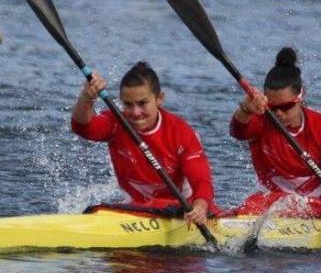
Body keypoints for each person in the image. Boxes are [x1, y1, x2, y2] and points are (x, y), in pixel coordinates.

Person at [228, 47, 321, 220]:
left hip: (319, 206)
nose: (279, 114)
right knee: (255, 205)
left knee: (288, 204)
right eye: (273, 107)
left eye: (286, 106)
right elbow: (238, 132)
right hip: (268, 203)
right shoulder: (260, 120)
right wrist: (245, 109)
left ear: (301, 96)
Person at [71, 61, 216, 226]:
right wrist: (87, 96)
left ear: (159, 98)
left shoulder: (181, 133)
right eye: (128, 104)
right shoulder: (116, 122)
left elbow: (202, 182)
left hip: (182, 213)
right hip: (135, 211)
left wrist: (200, 207)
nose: (135, 112)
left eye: (142, 103)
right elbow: (82, 127)